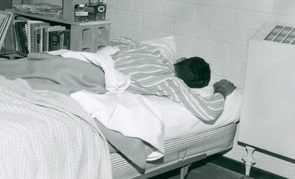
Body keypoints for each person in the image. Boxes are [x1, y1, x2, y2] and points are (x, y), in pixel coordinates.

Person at [99, 40, 236, 123]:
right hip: (97, 76)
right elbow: (209, 111)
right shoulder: (170, 82)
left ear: (181, 60)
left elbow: (120, 40)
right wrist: (221, 90)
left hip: (91, 65)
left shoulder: (152, 51)